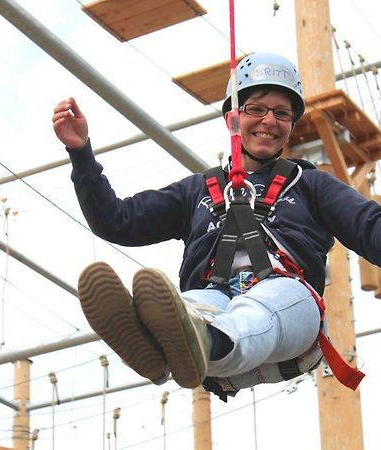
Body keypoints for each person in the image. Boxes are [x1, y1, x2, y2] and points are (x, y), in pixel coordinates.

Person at [52, 52, 375, 401]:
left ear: (291, 126)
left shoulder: (311, 186)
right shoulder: (197, 192)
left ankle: (200, 341)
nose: (269, 120)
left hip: (289, 307)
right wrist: (81, 154)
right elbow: (118, 222)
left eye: (282, 113)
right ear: (233, 119)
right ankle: (162, 343)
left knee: (259, 305)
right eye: (256, 109)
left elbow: (371, 229)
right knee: (186, 308)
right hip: (214, 300)